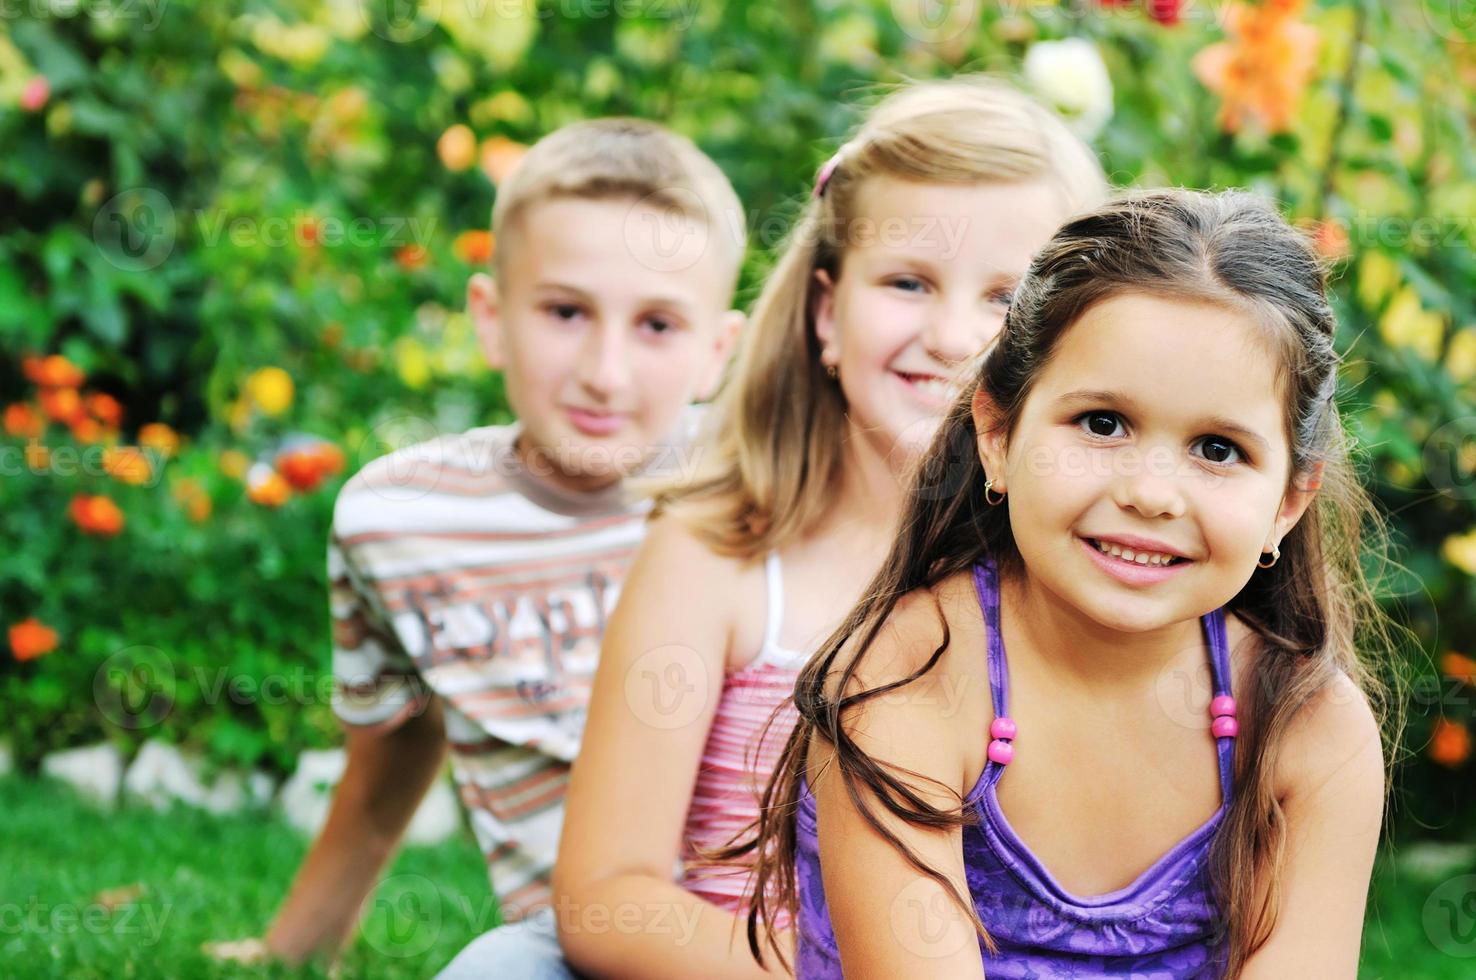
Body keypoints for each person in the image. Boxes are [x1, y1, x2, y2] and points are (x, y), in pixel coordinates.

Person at [742, 189, 1395, 978]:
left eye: (1218, 449)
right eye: (1103, 424)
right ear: (998, 434)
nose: (1151, 493)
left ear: (1289, 501)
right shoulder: (907, 685)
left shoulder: (1309, 728)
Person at [539, 77, 1106, 980]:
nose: (952, 333)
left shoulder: (1081, 591)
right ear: (825, 314)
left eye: (1004, 300)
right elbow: (608, 895)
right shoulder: (718, 557)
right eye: (907, 281)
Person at [206, 116, 747, 972]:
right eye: (566, 311)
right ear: (491, 317)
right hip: (570, 950)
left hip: (765, 927)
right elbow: (391, 759)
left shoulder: (757, 482)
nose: (605, 370)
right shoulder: (399, 520)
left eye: (657, 327)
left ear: (721, 350)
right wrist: (287, 953)